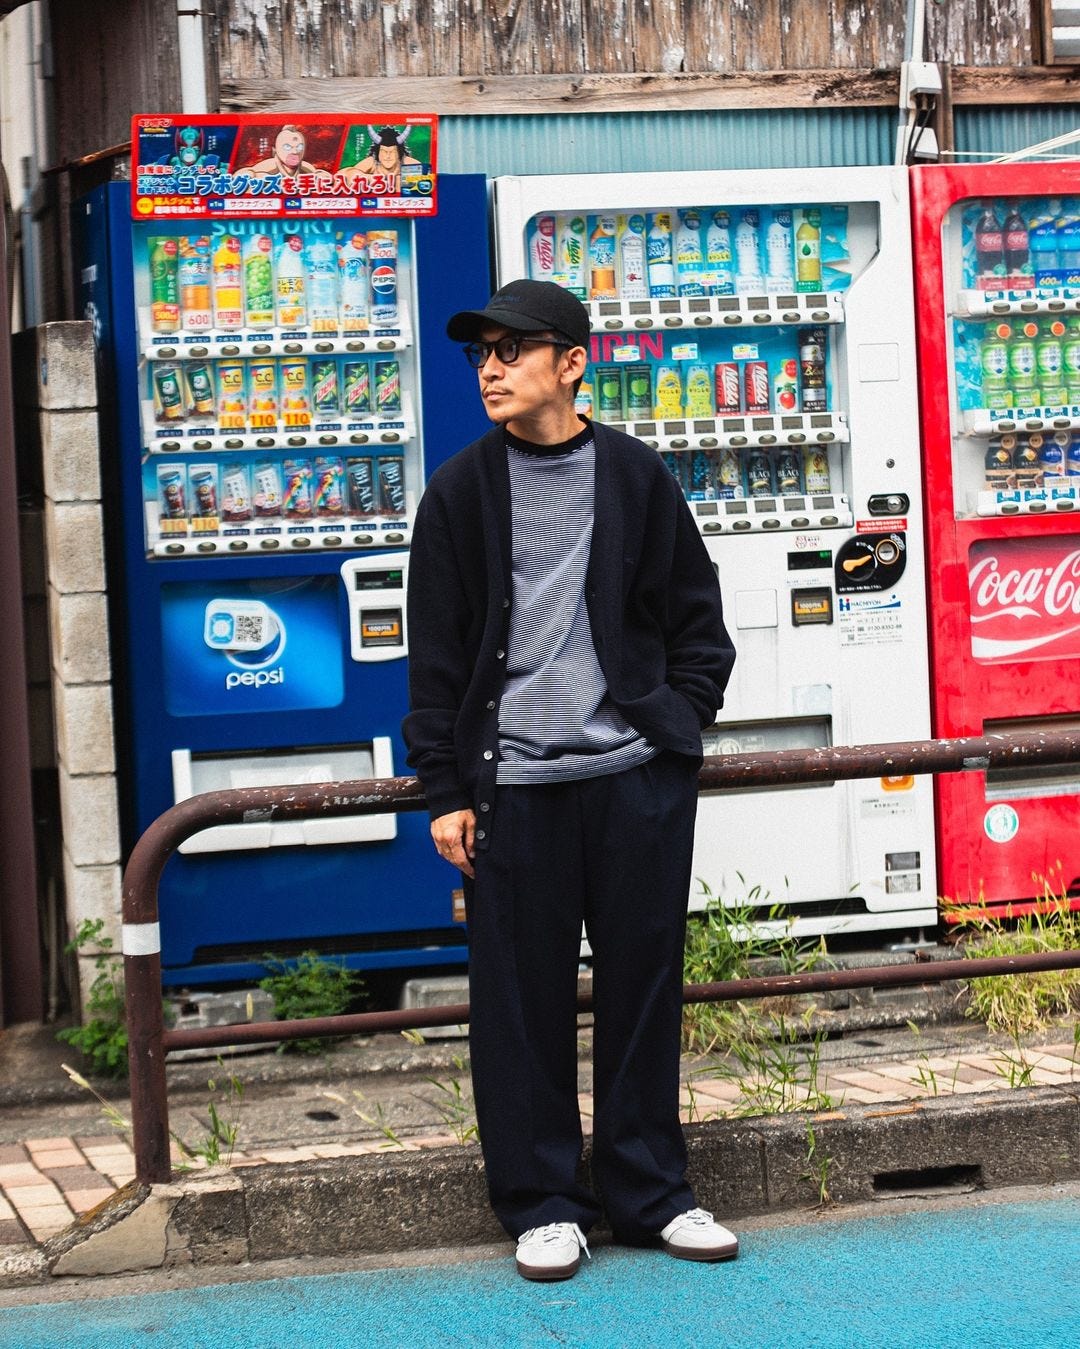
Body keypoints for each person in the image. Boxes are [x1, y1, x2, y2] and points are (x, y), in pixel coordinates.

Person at [403, 278, 737, 1282]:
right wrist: (444, 789)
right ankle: (543, 1200)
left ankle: (651, 1190)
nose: (492, 369)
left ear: (573, 361)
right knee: (519, 1002)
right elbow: (437, 656)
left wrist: (677, 722)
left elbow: (698, 625)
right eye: (481, 354)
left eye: (512, 349)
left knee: (644, 991)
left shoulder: (636, 476)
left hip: (633, 778)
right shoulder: (461, 490)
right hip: (514, 790)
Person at [245, 125, 317, 177]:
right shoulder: (265, 168)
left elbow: (320, 175)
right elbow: (247, 173)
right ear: (275, 150)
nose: (295, 152)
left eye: (299, 147)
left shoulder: (306, 168)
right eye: (287, 147)